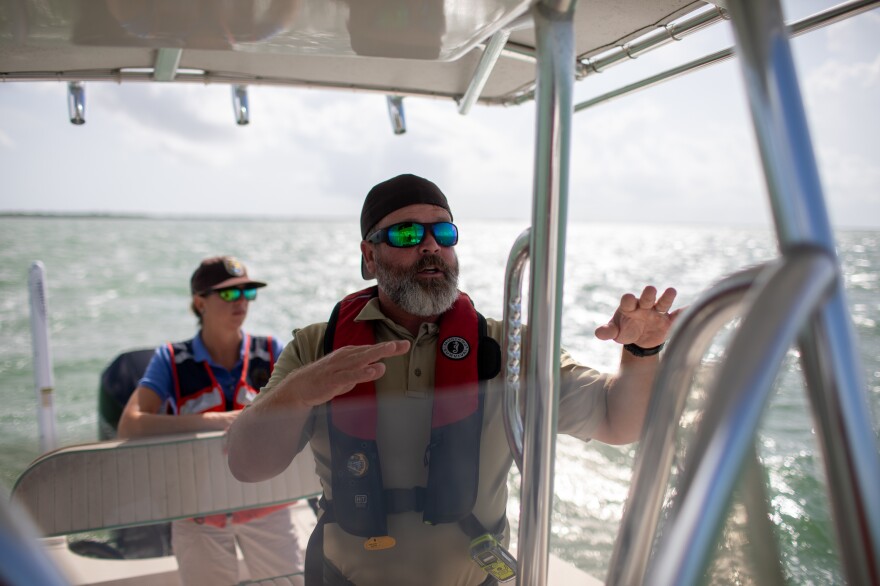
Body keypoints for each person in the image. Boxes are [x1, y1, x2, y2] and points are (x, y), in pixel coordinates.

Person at [226, 174, 680, 586]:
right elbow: (247, 465)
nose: (430, 246)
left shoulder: (510, 347)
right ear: (369, 256)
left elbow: (618, 422)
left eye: (443, 232)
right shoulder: (317, 348)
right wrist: (301, 390)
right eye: (406, 233)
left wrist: (641, 354)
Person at [118, 256, 304, 586]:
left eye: (247, 292)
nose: (242, 302)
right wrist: (213, 421)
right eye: (230, 294)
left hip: (268, 505)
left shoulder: (272, 350)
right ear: (199, 302)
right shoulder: (171, 360)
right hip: (197, 514)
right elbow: (130, 424)